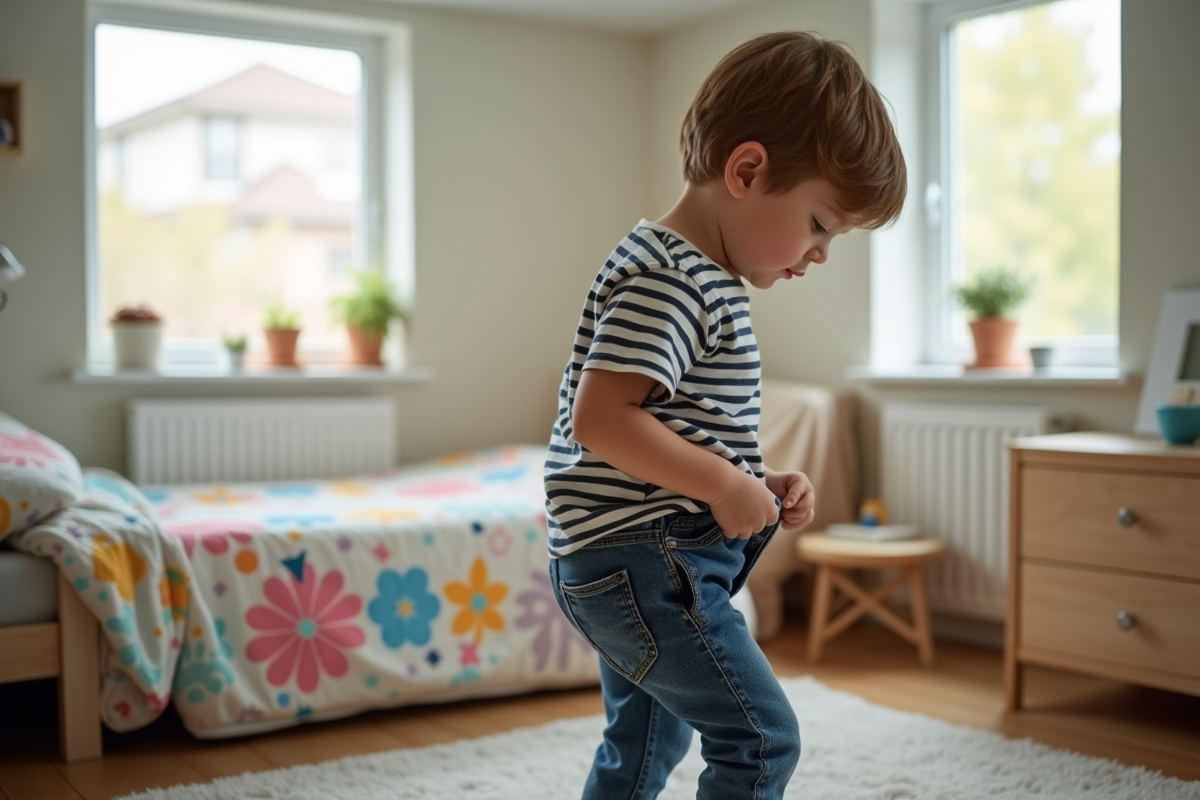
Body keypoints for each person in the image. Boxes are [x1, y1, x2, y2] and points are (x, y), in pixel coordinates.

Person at [544, 30, 906, 800]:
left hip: (630, 556)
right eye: (819, 225)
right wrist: (718, 483)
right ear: (746, 170)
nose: (820, 255)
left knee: (647, 736)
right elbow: (603, 421)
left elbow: (671, 427)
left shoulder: (691, 274)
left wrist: (754, 478)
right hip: (643, 561)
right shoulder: (671, 278)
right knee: (761, 738)